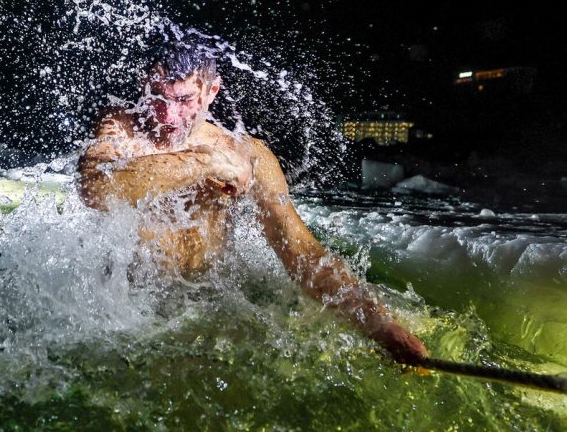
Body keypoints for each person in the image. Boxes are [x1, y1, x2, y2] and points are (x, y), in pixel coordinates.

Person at [77, 31, 428, 364]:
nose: (167, 115)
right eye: (157, 95)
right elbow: (95, 188)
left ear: (211, 91)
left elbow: (302, 253)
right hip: (128, 317)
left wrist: (379, 325)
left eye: (183, 100)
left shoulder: (248, 153)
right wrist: (207, 162)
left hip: (204, 310)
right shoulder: (122, 129)